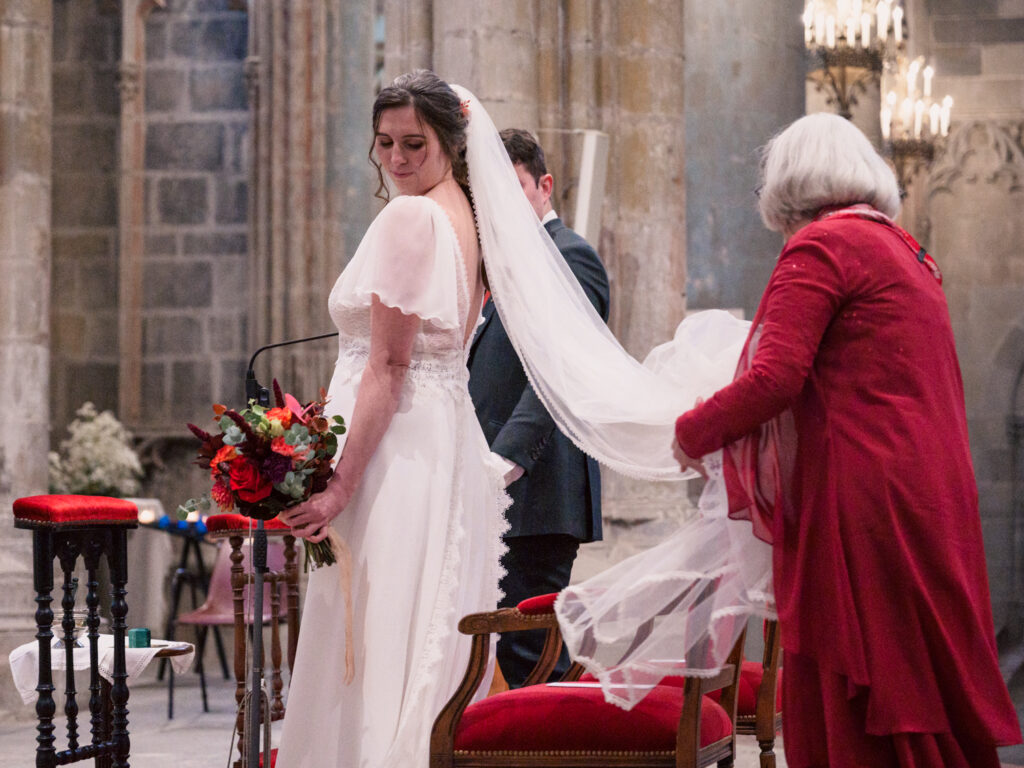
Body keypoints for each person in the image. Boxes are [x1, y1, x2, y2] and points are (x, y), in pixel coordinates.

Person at [672, 113, 1021, 768]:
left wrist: (691, 429)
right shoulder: (908, 251)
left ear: (786, 182)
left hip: (862, 496)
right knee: (919, 673)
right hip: (932, 490)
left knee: (870, 674)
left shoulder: (821, 248)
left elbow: (775, 376)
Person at [275, 70, 510, 768]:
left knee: (373, 627)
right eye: (385, 144)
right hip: (433, 443)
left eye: (416, 143)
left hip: (391, 454)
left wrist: (338, 484)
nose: (398, 159)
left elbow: (388, 367)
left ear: (450, 143)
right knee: (410, 625)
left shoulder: (412, 217)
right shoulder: (464, 215)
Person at [467, 128, 609, 688]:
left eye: (514, 189)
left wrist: (506, 463)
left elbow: (560, 370)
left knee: (531, 662)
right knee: (514, 660)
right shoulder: (507, 268)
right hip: (501, 495)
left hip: (535, 491)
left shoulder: (571, 257)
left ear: (544, 185)